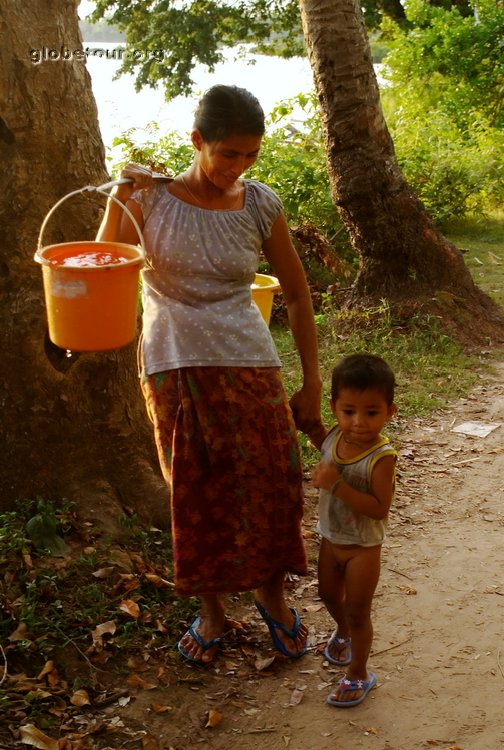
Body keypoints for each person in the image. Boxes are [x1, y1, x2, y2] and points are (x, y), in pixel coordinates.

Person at [97, 84, 324, 664]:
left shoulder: (260, 204)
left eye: (251, 155)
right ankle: (212, 612)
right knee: (193, 491)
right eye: (229, 154)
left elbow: (296, 295)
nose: (239, 167)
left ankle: (273, 603)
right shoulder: (150, 199)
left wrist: (312, 380)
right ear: (198, 141)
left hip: (251, 364)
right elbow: (105, 264)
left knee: (268, 486)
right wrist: (119, 193)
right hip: (173, 365)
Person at [311, 353, 397, 706]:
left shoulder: (382, 457)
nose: (359, 422)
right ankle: (342, 632)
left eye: (371, 412)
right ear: (334, 408)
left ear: (389, 412)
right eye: (349, 412)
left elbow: (380, 508)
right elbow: (319, 438)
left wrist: (337, 486)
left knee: (359, 610)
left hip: (363, 548)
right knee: (330, 596)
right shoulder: (334, 437)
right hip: (330, 540)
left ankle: (359, 673)